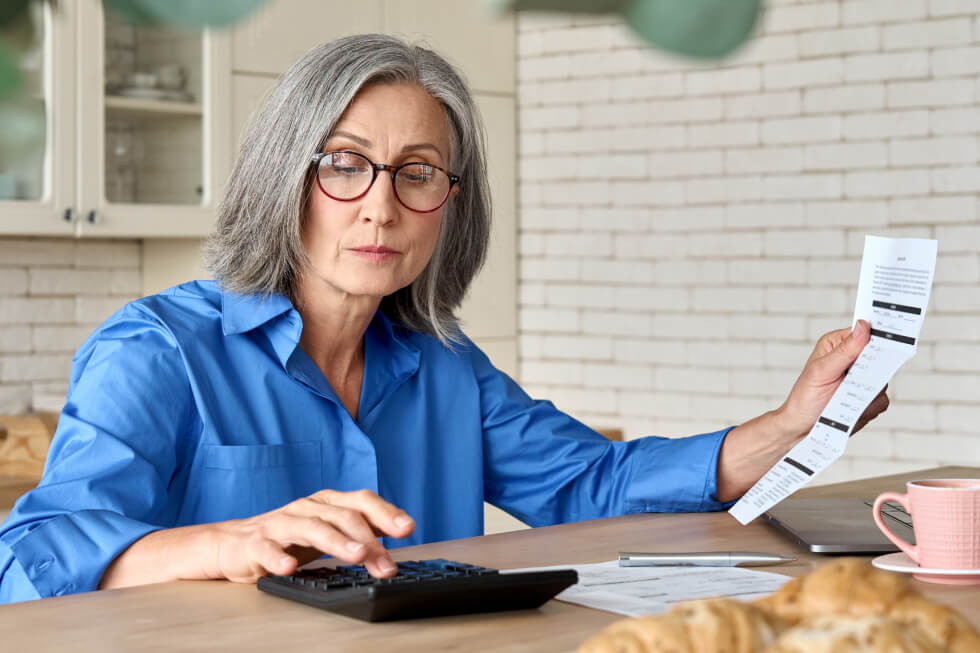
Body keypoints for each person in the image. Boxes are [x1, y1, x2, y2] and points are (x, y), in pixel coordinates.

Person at [0, 34, 887, 603]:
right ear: (286, 180)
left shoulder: (445, 365)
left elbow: (593, 486)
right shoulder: (157, 349)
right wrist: (226, 542)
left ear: (449, 206)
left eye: (418, 172)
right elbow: (27, 560)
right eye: (344, 165)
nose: (379, 207)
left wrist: (791, 425)